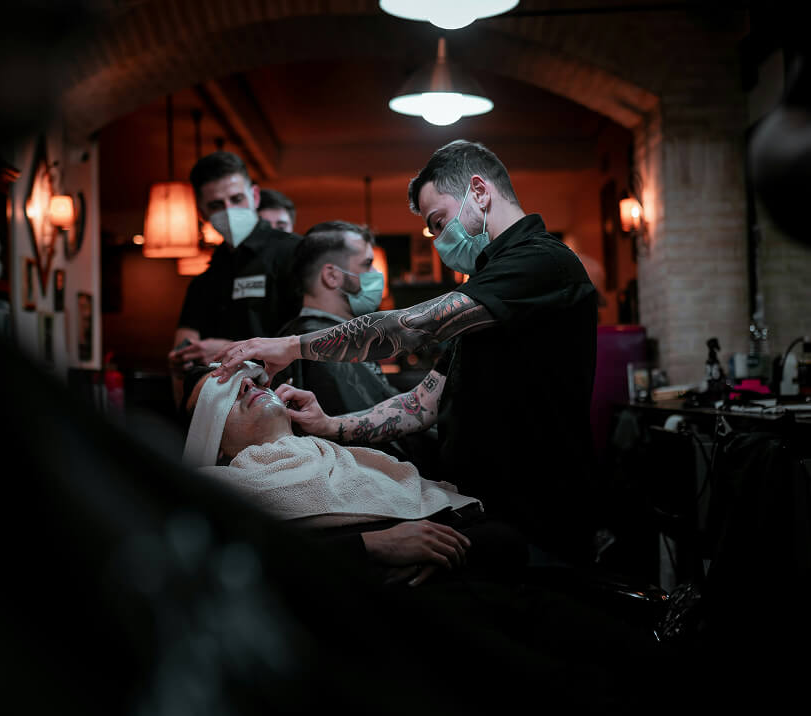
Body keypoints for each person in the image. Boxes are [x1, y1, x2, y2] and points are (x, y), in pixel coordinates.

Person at [211, 139, 600, 565]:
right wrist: (329, 426)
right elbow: (421, 403)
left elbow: (416, 326)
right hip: (484, 508)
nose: (438, 240)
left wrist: (293, 346)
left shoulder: (543, 263)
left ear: (480, 192)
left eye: (439, 221)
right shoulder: (488, 288)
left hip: (541, 514)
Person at [182, 362, 528, 586]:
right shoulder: (218, 500)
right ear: (211, 443)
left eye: (250, 377)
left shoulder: (356, 462)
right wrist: (371, 547)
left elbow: (502, 539)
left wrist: (441, 553)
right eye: (220, 394)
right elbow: (259, 576)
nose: (246, 385)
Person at [273, 220, 440, 476]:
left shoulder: (312, 337)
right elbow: (376, 443)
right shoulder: (317, 345)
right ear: (331, 276)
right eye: (366, 264)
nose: (376, 274)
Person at [167, 152, 302, 409]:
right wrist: (181, 361)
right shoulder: (206, 279)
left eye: (237, 199)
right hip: (223, 413)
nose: (229, 211)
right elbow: (184, 342)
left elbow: (314, 342)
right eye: (217, 205)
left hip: (286, 406)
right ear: (202, 212)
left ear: (255, 196)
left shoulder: (293, 253)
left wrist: (232, 351)